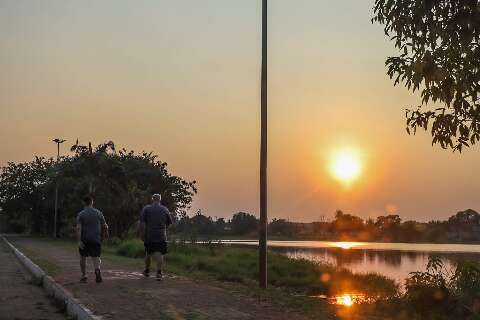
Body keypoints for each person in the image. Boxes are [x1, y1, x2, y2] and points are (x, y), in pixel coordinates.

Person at [139, 193, 173, 281]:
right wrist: (164, 229)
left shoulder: (146, 208)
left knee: (148, 253)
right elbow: (169, 222)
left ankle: (146, 270)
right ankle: (159, 272)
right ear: (160, 200)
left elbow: (142, 223)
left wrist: (142, 234)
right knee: (160, 253)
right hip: (161, 235)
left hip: (149, 235)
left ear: (152, 199)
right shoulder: (165, 209)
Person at [76, 196, 109, 283]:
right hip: (96, 239)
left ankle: (84, 276)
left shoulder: (81, 214)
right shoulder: (98, 213)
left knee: (83, 258)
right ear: (92, 202)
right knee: (96, 257)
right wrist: (105, 236)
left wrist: (79, 241)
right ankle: (97, 270)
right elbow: (105, 226)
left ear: (84, 203)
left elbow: (79, 228)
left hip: (84, 240)